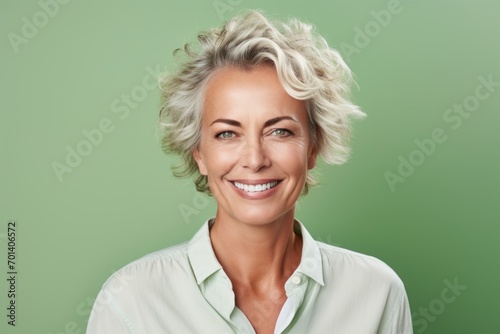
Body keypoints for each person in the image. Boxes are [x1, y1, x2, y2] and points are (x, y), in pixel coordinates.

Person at [86, 10, 413, 334]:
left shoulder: (376, 294)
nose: (255, 159)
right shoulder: (131, 303)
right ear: (198, 153)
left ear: (313, 147)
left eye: (280, 131)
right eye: (227, 133)